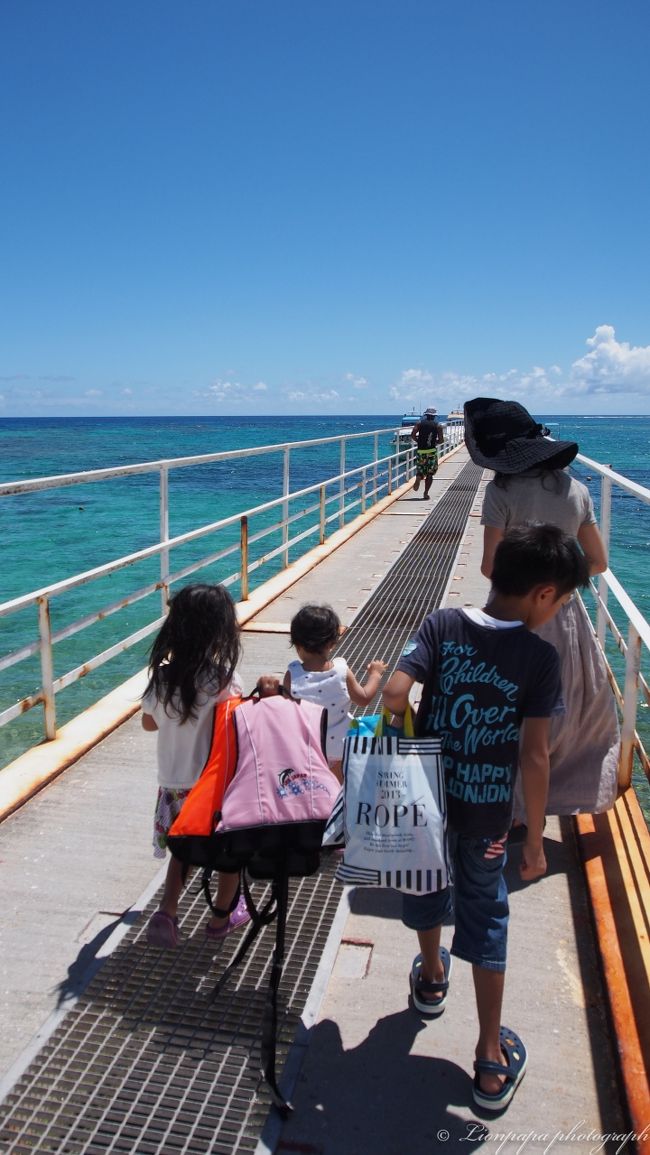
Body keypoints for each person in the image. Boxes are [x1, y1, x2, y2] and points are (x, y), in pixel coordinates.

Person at [382, 524, 590, 1111]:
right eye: (564, 602)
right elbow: (534, 754)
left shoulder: (443, 624)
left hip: (425, 807)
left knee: (424, 885)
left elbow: (396, 694)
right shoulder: (538, 658)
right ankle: (491, 1059)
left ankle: (429, 978)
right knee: (486, 915)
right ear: (544, 594)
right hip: (488, 820)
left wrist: (410, 712)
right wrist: (536, 839)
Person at [464, 396, 619, 821]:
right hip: (563, 616)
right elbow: (598, 562)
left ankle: (507, 807)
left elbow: (489, 566)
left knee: (504, 713)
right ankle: (558, 798)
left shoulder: (501, 493)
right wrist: (557, 584)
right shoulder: (578, 491)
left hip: (511, 618)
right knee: (568, 710)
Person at [141, 582, 250, 948]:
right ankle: (221, 918)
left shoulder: (162, 677)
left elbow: (148, 722)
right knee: (228, 856)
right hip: (213, 788)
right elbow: (234, 727)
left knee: (181, 851)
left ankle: (167, 912)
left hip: (173, 785)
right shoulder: (223, 679)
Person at [283, 604, 387, 780]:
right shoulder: (341, 671)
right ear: (331, 644)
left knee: (312, 791)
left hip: (305, 749)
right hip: (339, 748)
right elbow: (363, 699)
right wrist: (375, 675)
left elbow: (284, 712)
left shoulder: (292, 675)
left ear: (297, 644)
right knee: (337, 791)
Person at [411, 407, 445, 500]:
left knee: (421, 469)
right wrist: (436, 442)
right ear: (434, 416)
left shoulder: (419, 423)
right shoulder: (438, 425)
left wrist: (418, 441)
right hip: (431, 451)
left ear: (426, 415)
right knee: (430, 474)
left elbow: (412, 435)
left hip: (421, 451)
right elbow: (441, 440)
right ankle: (425, 493)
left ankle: (418, 477)